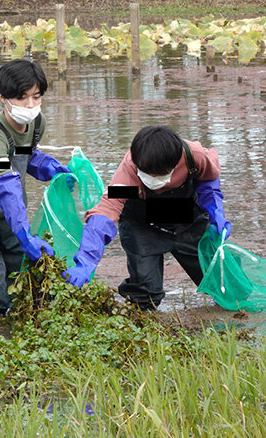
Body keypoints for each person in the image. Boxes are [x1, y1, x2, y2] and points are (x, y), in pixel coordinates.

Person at [63, 125, 231, 311]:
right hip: (141, 226)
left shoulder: (194, 157)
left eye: (160, 175)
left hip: (185, 219)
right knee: (145, 294)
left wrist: (217, 214)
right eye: (148, 174)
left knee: (222, 282)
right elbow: (105, 213)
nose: (153, 178)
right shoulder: (128, 175)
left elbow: (208, 183)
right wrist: (86, 259)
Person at [0, 58, 71, 315]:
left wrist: (50, 168)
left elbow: (24, 153)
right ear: (3, 98)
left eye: (36, 96)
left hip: (8, 211)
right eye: (21, 98)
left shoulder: (36, 123)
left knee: (18, 269)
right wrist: (24, 232)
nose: (30, 105)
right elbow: (5, 184)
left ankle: (15, 321)